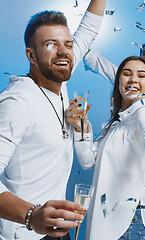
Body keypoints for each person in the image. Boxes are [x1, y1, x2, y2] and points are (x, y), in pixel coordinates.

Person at [0, 1, 106, 239]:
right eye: (50, 44)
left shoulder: (58, 78)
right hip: (25, 231)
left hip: (56, 229)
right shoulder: (17, 102)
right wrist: (31, 215)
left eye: (68, 44)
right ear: (31, 55)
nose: (63, 52)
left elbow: (88, 31)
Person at [71, 56, 145, 240]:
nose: (133, 79)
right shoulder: (116, 124)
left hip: (129, 222)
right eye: (127, 74)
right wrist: (80, 126)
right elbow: (87, 161)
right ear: (118, 81)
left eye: (141, 75)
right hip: (104, 220)